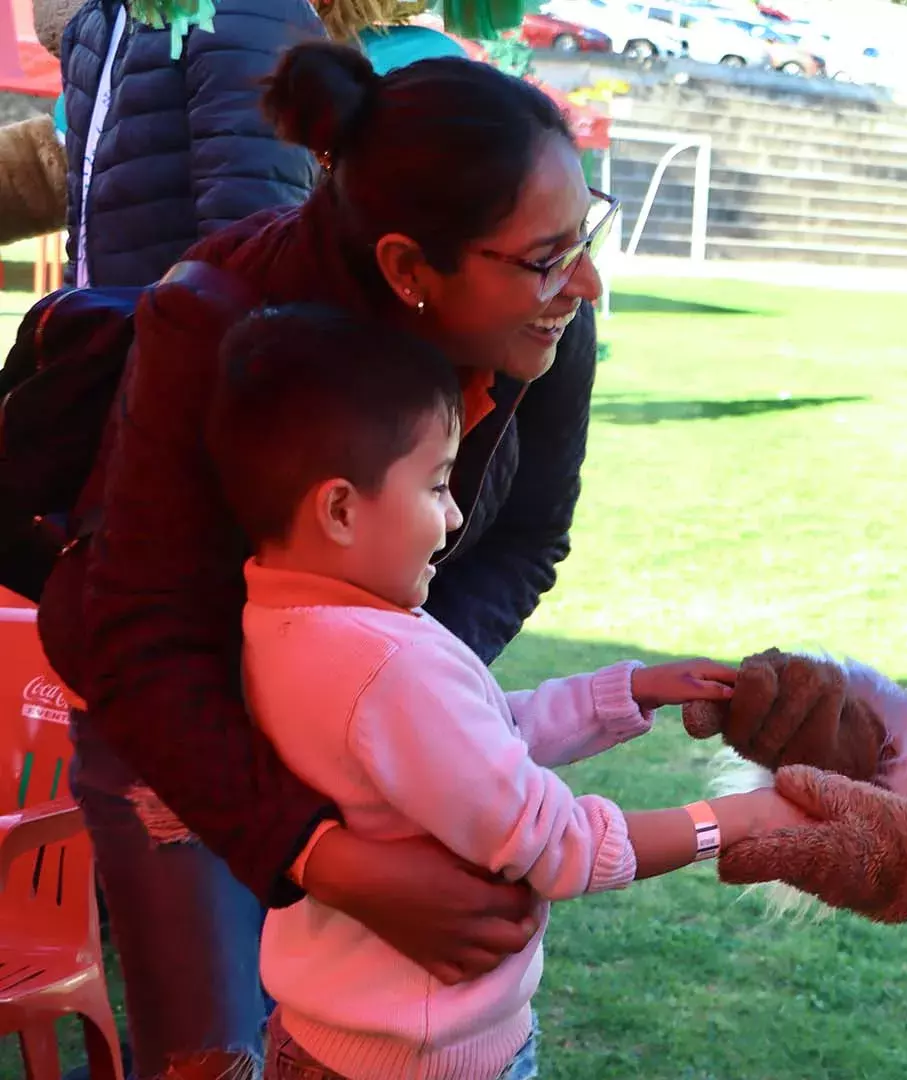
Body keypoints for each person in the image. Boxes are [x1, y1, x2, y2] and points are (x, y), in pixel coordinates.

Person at [34, 42, 613, 1080]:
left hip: (369, 725)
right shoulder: (212, 320)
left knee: (383, 1044)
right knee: (214, 1054)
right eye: (544, 257)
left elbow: (528, 538)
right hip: (177, 727)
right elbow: (142, 632)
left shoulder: (546, 328)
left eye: (584, 236)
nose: (586, 283)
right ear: (407, 267)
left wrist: (397, 692)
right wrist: (329, 856)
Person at [204, 305, 807, 1080]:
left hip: (325, 1042)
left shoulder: (281, 620)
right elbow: (559, 846)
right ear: (341, 509)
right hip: (422, 1065)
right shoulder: (385, 663)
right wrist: (733, 821)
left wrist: (627, 691)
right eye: (435, 486)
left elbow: (472, 744)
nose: (454, 517)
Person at [60, 0, 325, 287]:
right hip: (123, 323)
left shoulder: (249, 10)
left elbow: (251, 235)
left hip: (189, 324)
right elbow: (83, 231)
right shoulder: (91, 24)